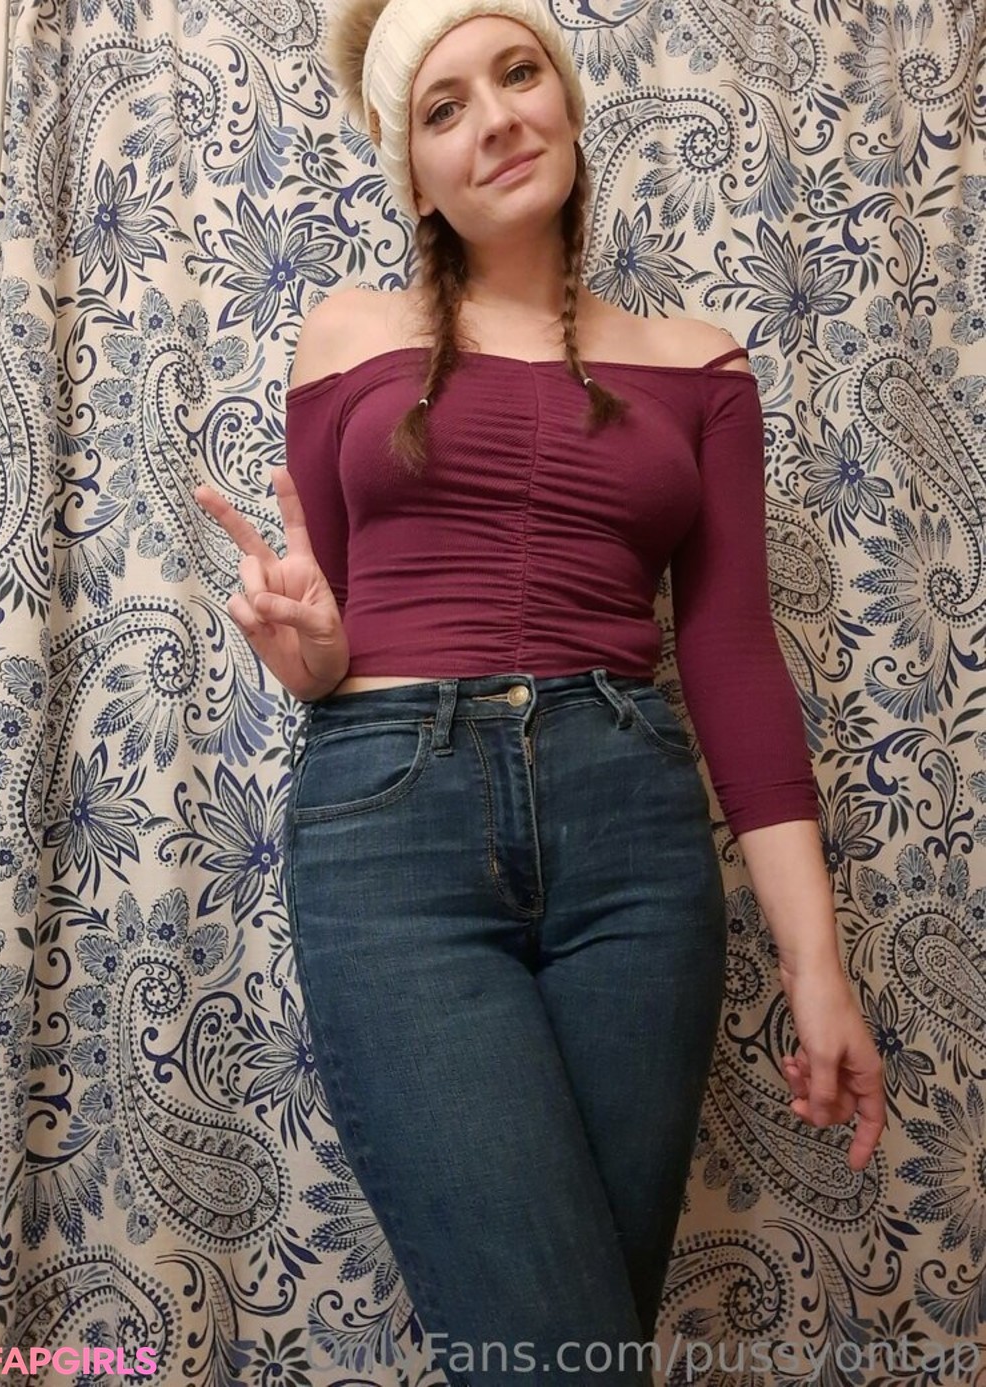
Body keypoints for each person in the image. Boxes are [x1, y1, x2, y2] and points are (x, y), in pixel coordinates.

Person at [194, 0, 887, 1382]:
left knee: (574, 1346)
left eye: (519, 74)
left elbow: (731, 656)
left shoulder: (701, 365)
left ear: (566, 99)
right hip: (394, 836)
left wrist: (818, 969)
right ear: (412, 172)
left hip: (635, 849)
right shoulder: (346, 336)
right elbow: (334, 636)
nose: (498, 119)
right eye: (444, 106)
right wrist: (307, 651)